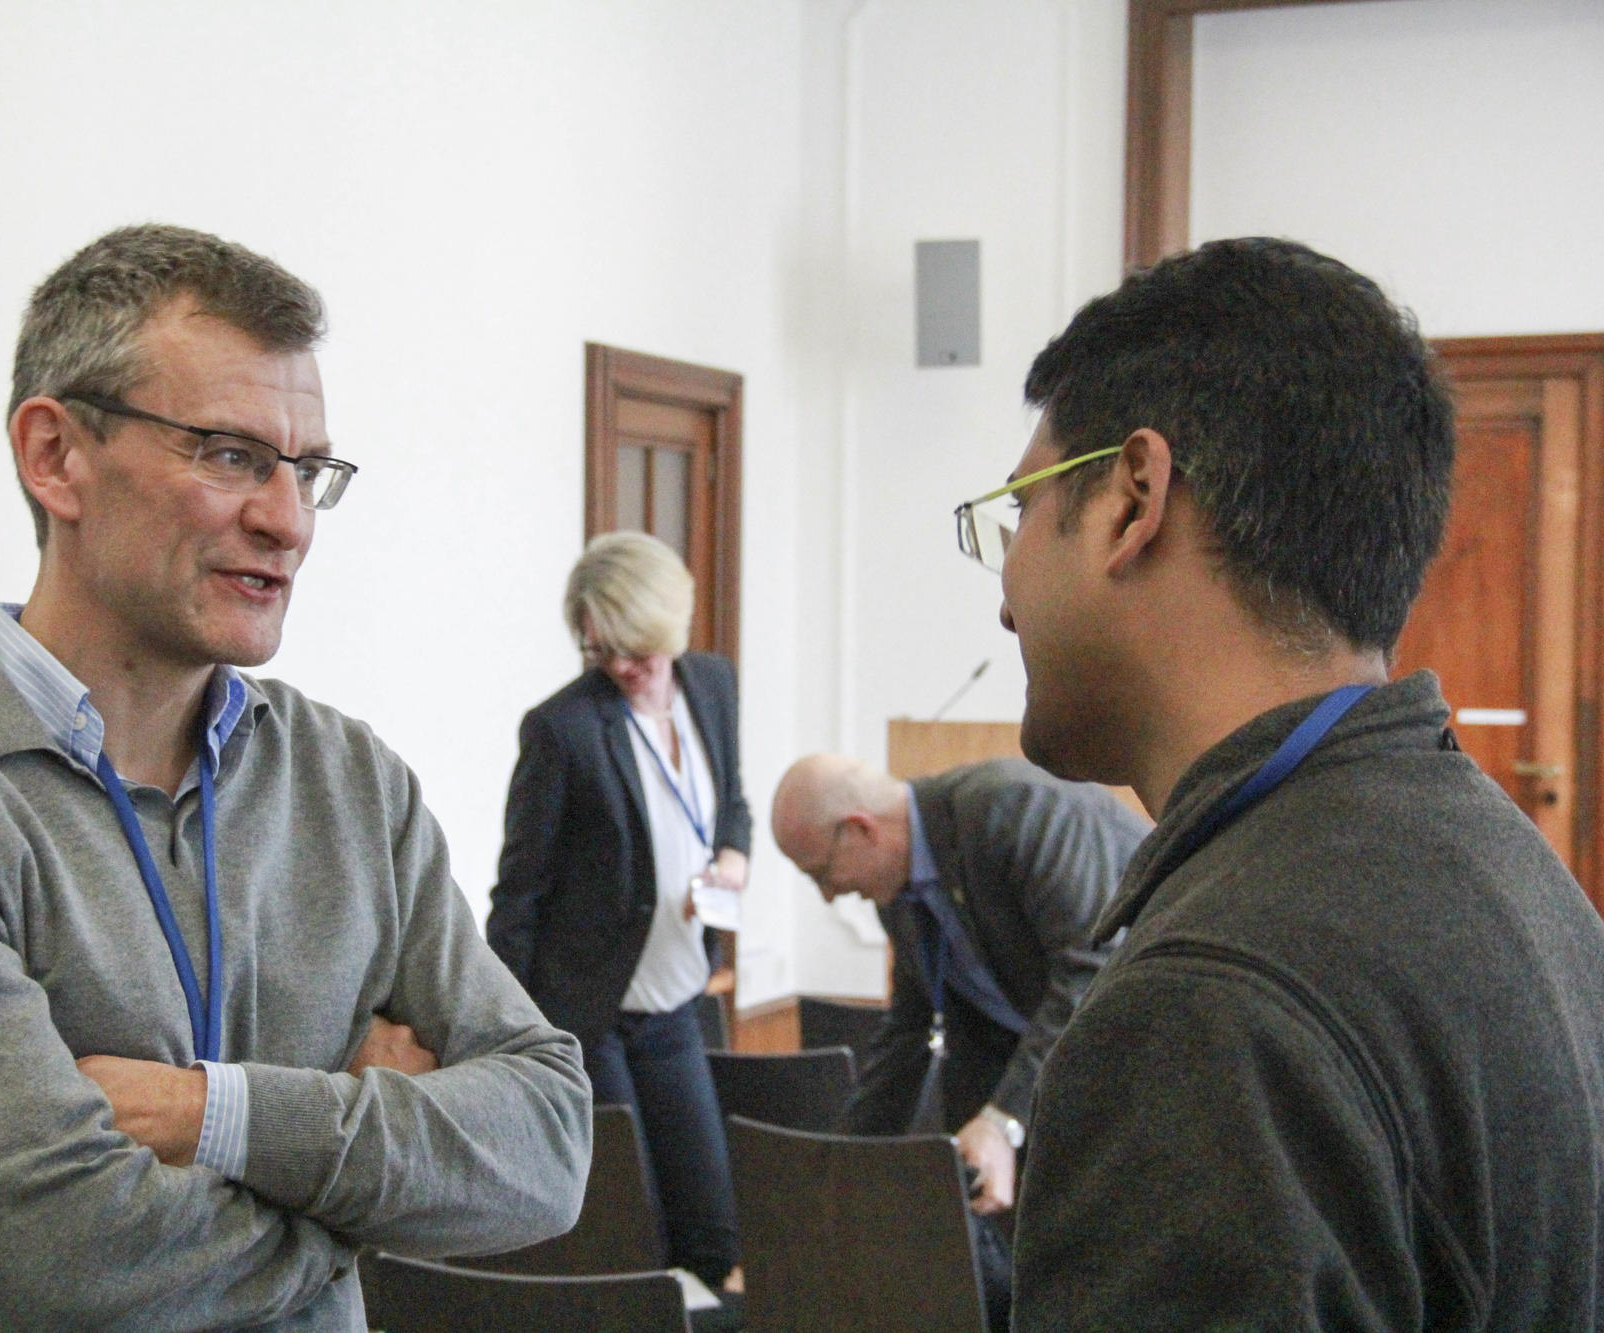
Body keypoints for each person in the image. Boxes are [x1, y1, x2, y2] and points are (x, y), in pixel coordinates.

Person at [0, 224, 589, 1333]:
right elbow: (62, 1271)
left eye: (306, 470)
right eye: (229, 454)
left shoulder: (349, 783)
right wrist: (362, 1182)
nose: (285, 519)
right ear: (55, 456)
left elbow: (545, 1145)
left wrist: (218, 1115)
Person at [955, 236, 1604, 1328]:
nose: (1006, 596)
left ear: (1131, 498)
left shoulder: (1202, 1011)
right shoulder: (1506, 862)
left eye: (1018, 511)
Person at [770, 752, 1146, 1326]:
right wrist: (843, 1169)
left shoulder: (1013, 810)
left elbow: (1094, 975)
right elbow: (907, 1032)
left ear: (861, 831)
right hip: (1038, 1061)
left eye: (820, 873)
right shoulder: (898, 895)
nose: (827, 895)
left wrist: (1002, 1122)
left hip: (1146, 1057)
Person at [487, 531, 750, 1290]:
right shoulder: (562, 729)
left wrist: (733, 855)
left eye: (634, 649)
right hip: (588, 1016)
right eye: (601, 651)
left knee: (712, 1228)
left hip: (675, 1003)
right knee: (629, 1231)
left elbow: (732, 802)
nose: (621, 668)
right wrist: (508, 1034)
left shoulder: (713, 686)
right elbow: (519, 894)